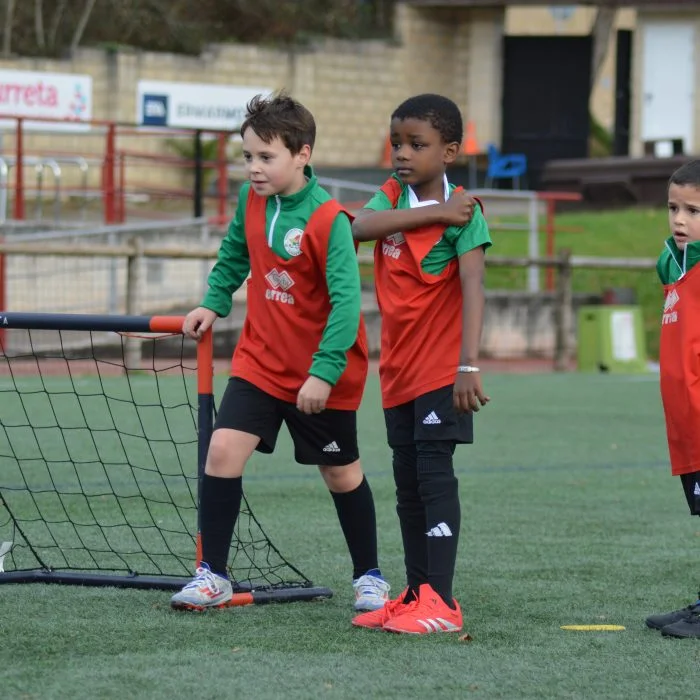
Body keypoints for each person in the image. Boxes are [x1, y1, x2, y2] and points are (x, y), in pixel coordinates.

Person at [170, 92, 389, 613]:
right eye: (248, 156)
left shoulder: (329, 219)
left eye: (266, 157)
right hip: (261, 362)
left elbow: (347, 306)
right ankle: (213, 575)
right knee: (222, 450)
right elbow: (234, 254)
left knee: (341, 473)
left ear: (302, 155)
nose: (254, 167)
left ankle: (370, 576)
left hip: (321, 373)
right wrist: (213, 303)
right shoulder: (252, 201)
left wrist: (323, 373)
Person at [350, 94, 491, 634]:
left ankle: (443, 602)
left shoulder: (466, 212)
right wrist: (434, 213)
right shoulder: (393, 196)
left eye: (417, 144)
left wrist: (469, 366)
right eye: (397, 143)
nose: (402, 153)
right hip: (398, 373)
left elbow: (474, 288)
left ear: (449, 152)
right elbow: (358, 227)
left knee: (433, 478)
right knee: (407, 486)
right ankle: (414, 594)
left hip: (439, 372)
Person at [646, 158, 700, 639]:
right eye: (673, 208)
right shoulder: (673, 262)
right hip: (686, 422)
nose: (679, 220)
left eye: (693, 211)